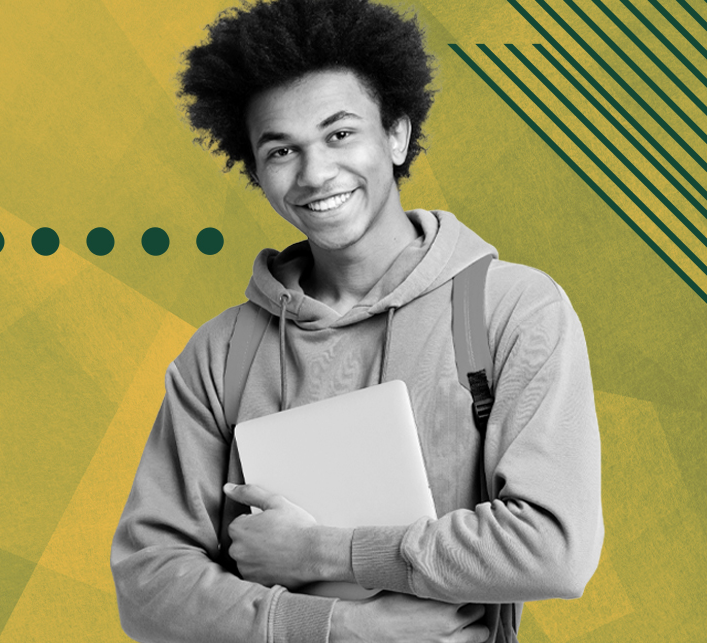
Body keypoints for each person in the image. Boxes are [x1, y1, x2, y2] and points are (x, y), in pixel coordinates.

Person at [111, 0, 604, 641]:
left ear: (395, 134)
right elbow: (149, 583)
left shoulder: (508, 310)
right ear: (256, 171)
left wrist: (320, 551)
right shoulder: (220, 352)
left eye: (340, 134)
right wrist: (334, 627)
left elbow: (553, 548)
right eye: (282, 149)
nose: (316, 174)